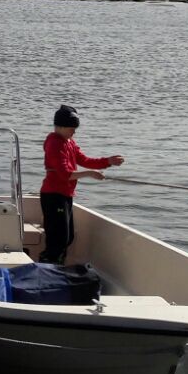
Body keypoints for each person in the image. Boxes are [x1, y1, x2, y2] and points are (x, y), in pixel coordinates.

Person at [38, 104, 124, 264]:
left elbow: (84, 160)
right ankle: (48, 268)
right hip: (53, 195)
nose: (74, 131)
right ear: (60, 126)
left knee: (68, 237)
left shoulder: (68, 141)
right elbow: (65, 174)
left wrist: (108, 161)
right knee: (58, 239)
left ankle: (55, 268)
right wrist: (91, 174)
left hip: (65, 195)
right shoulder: (54, 144)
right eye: (71, 128)